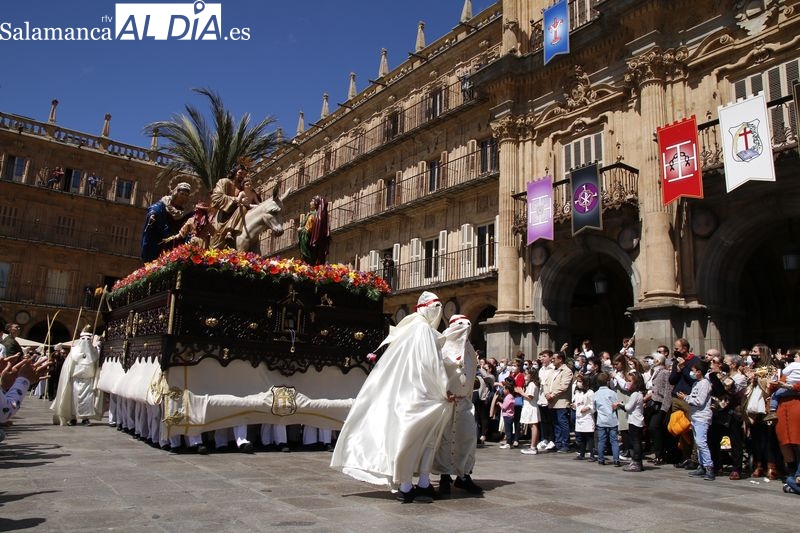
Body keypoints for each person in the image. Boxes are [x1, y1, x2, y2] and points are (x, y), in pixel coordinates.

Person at [330, 291, 450, 504]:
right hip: (419, 394)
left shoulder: (411, 328)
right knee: (411, 439)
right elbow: (431, 363)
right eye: (436, 307)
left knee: (421, 439)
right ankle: (405, 485)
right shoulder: (422, 329)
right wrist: (445, 387)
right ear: (425, 308)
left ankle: (421, 483)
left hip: (413, 393)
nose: (438, 312)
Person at [434, 314, 483, 496]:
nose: (465, 329)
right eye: (461, 326)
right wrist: (443, 391)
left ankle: (464, 475)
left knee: (466, 439)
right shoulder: (442, 346)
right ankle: (444, 476)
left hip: (464, 402)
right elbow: (435, 372)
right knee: (444, 441)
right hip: (446, 402)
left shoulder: (470, 350)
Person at [51, 326, 103, 426]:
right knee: (73, 400)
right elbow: (68, 367)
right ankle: (73, 417)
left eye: (88, 339)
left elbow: (96, 367)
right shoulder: (73, 352)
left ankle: (85, 418)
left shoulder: (94, 353)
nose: (86, 341)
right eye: (84, 339)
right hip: (75, 380)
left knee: (87, 400)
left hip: (88, 380)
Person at [678, 360, 714, 480]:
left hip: (702, 416)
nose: (691, 373)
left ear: (699, 372)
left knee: (701, 442)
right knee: (698, 443)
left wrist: (685, 398)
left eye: (693, 371)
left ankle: (709, 467)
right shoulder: (696, 384)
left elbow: (699, 401)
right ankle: (702, 466)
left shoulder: (705, 383)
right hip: (695, 416)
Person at [141, 182, 192, 262]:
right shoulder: (164, 204)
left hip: (174, 239)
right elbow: (154, 209)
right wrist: (152, 214)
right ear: (176, 193)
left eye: (186, 195)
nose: (183, 197)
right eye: (182, 194)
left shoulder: (184, 212)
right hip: (161, 235)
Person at [593, 372, 621, 466]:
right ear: (608, 382)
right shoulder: (612, 393)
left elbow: (594, 407)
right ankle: (616, 459)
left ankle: (601, 459)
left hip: (601, 419)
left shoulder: (596, 394)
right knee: (614, 440)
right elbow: (616, 405)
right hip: (612, 419)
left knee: (601, 440)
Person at [298, 195, 331, 265]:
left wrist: (301, 230)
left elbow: (307, 231)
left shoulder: (312, 216)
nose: (310, 203)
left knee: (308, 263)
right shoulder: (321, 217)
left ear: (316, 203)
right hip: (316, 248)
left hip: (308, 245)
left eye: (312, 201)